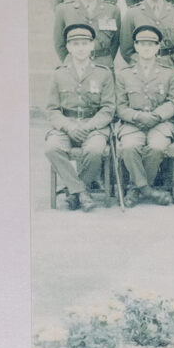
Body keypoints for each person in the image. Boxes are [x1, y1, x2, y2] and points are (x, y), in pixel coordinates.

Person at [45, 23, 115, 213]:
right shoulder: (59, 74)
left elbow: (108, 108)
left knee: (95, 150)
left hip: (94, 125)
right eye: (75, 44)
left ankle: (73, 193)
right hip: (66, 124)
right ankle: (81, 193)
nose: (80, 48)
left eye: (85, 43)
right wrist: (68, 126)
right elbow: (52, 109)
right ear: (68, 47)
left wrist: (90, 126)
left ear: (92, 45)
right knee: (51, 148)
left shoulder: (103, 73)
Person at [114, 24, 174, 206]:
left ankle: (135, 189)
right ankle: (147, 190)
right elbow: (120, 106)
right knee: (129, 147)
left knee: (157, 147)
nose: (146, 48)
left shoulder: (169, 73)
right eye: (142, 44)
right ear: (135, 46)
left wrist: (156, 116)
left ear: (158, 47)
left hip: (160, 123)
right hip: (132, 123)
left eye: (151, 44)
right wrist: (137, 117)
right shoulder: (123, 74)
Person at [52, 0, 121, 68]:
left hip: (103, 65)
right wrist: (71, 62)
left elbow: (115, 42)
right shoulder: (64, 10)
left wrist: (105, 60)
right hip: (74, 66)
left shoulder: (112, 10)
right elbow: (59, 44)